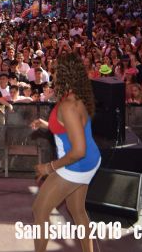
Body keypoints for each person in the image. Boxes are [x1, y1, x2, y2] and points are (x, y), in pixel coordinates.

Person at [29, 53, 101, 252]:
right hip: (89, 160)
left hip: (77, 164)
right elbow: (69, 129)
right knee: (77, 210)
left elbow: (78, 151)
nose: (52, 71)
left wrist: (49, 167)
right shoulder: (75, 96)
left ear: (64, 73)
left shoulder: (69, 105)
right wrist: (47, 124)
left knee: (39, 210)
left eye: (55, 68)